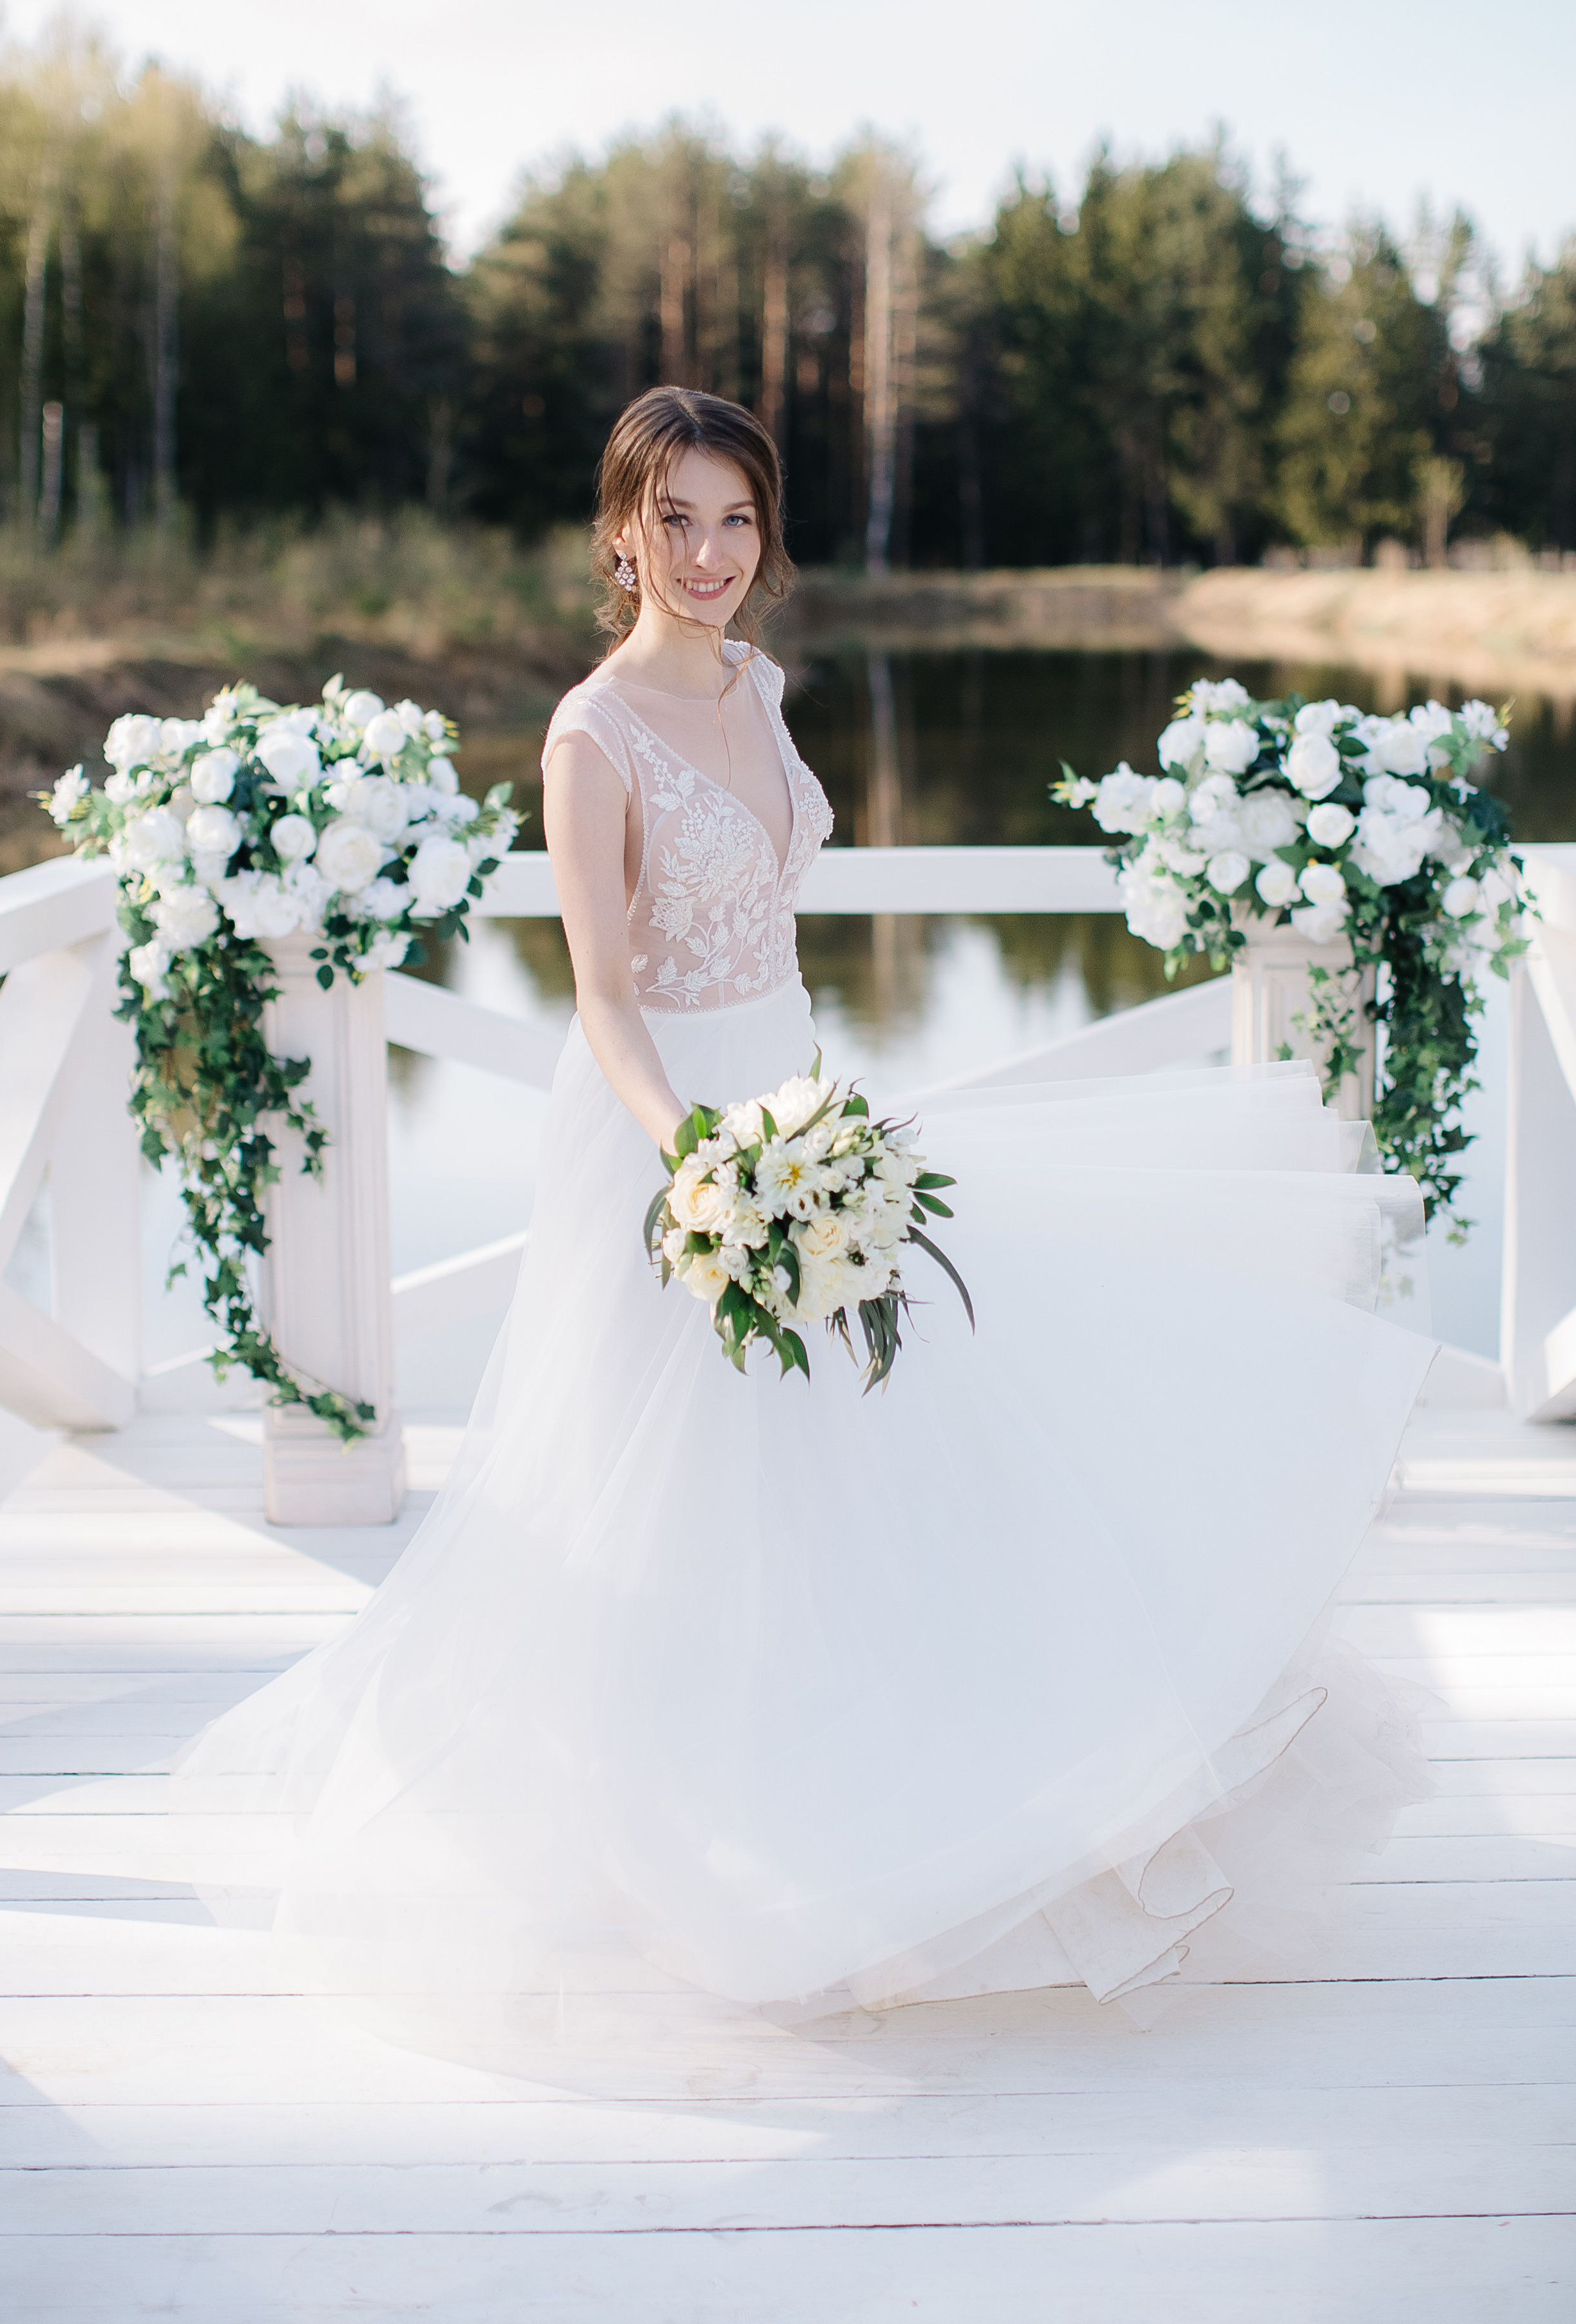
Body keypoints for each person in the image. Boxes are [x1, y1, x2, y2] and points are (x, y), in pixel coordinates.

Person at [173, 386, 1436, 2053]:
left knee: (865, 1464)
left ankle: (885, 1797)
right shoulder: (589, 733)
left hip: (806, 1106)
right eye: (675, 520)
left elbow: (766, 927)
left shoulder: (759, 688)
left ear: (767, 536)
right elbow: (607, 997)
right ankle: (703, 1840)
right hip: (667, 1143)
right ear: (620, 531)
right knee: (682, 1487)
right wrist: (702, 1157)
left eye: (738, 521)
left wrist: (796, 1132)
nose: (708, 555)